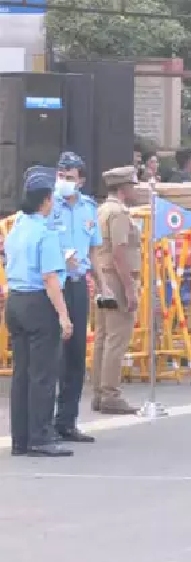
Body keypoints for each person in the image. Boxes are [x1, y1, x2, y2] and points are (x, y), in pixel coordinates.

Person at [5, 167, 74, 457]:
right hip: (37, 303)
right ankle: (41, 436)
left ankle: (21, 438)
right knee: (43, 374)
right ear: (46, 200)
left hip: (16, 301)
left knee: (22, 373)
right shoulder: (44, 233)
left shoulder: (17, 226)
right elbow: (49, 278)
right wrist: (64, 315)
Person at [50, 152, 102, 441]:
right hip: (53, 284)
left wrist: (101, 282)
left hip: (78, 283)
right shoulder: (49, 205)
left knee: (75, 355)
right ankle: (44, 421)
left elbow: (93, 250)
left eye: (70, 178)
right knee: (52, 354)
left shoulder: (88, 208)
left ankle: (67, 421)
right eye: (61, 176)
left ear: (80, 181)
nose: (64, 182)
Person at [90, 167, 142, 415]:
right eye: (133, 185)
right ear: (124, 188)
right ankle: (110, 392)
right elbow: (120, 252)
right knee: (117, 338)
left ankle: (99, 392)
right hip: (117, 278)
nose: (135, 189)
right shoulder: (119, 213)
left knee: (103, 337)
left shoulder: (101, 210)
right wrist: (130, 289)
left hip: (103, 278)